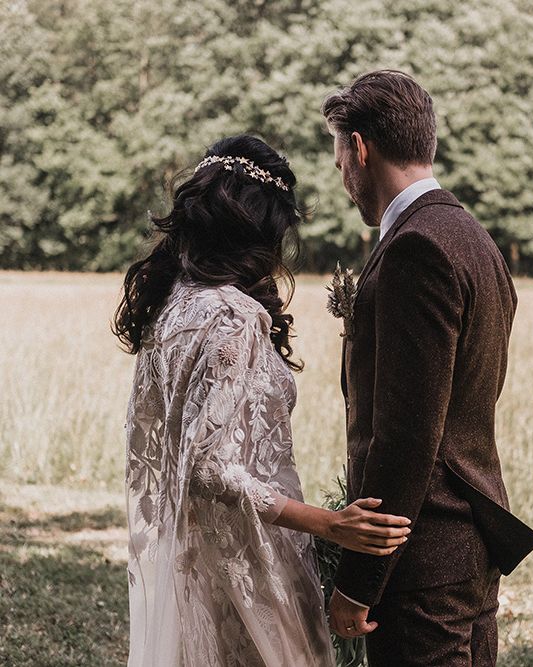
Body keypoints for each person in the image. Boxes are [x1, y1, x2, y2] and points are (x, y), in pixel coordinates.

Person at [113, 133, 412, 666]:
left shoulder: (173, 305)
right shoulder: (233, 316)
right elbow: (209, 466)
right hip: (248, 560)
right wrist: (328, 523)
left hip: (191, 556)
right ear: (259, 226)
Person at [322, 71, 533, 666]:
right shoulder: (475, 238)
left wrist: (358, 581)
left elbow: (407, 435)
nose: (342, 178)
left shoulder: (414, 249)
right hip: (470, 544)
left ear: (360, 148)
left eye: (339, 158)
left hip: (421, 560)